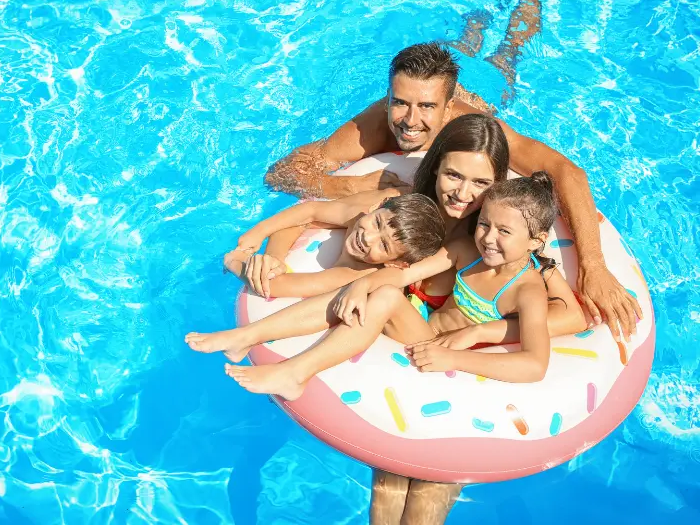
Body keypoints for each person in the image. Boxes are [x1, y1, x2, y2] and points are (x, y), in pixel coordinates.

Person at [241, 115, 585, 525]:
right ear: (435, 165)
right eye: (453, 175)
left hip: (460, 366)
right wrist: (271, 259)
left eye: (480, 184)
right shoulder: (400, 213)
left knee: (427, 486)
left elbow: (569, 317)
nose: (463, 194)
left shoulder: (509, 250)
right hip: (408, 344)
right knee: (390, 480)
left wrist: (485, 330)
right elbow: (312, 215)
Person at [263, 44, 640, 346]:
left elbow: (567, 172)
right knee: (464, 43)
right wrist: (348, 185)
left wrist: (593, 265)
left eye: (426, 106)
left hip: (482, 103)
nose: (409, 122)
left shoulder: (475, 128)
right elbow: (281, 172)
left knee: (505, 58)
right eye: (400, 103)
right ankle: (469, 35)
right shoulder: (377, 124)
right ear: (388, 96)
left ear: (447, 109)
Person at [216, 170, 561, 400]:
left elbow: (535, 365)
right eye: (484, 224)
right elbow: (400, 275)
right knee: (381, 291)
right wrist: (360, 285)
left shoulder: (527, 290)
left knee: (383, 296)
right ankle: (251, 337)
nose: (488, 238)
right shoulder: (465, 250)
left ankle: (294, 371)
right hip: (421, 329)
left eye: (504, 232)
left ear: (536, 242)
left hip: (440, 352)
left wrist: (453, 357)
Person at [220, 192, 445, 299]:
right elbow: (310, 211)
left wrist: (234, 261)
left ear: (395, 264)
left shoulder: (354, 275)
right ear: (377, 206)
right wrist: (263, 239)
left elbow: (274, 287)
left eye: (383, 246)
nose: (367, 238)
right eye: (376, 223)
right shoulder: (361, 216)